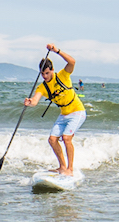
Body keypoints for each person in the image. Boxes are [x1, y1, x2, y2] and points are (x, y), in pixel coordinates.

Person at [23, 44, 85, 177]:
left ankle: (70, 169)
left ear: (52, 70)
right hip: (64, 114)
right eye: (42, 74)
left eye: (47, 73)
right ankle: (62, 167)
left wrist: (56, 51)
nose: (45, 76)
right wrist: (30, 103)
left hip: (77, 111)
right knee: (52, 139)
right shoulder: (42, 87)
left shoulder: (62, 75)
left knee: (66, 138)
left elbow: (72, 62)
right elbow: (35, 100)